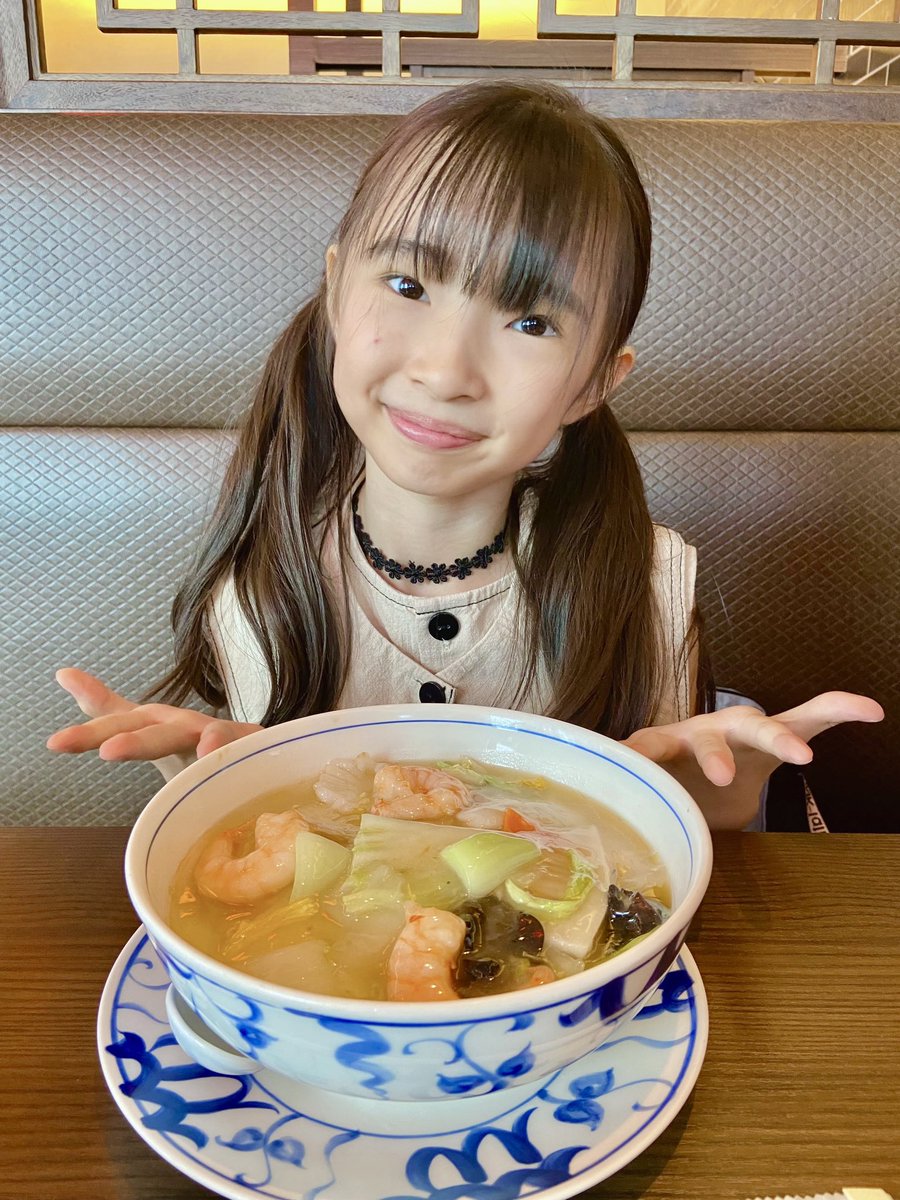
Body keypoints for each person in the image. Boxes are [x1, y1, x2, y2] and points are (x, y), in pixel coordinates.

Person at [46, 81, 881, 830]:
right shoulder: (264, 587)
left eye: (532, 323)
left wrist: (722, 802)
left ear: (594, 383)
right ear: (336, 290)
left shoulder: (643, 582)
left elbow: (657, 857)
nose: (446, 373)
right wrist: (204, 790)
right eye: (408, 285)